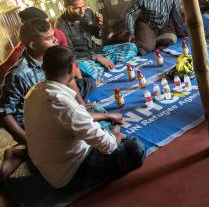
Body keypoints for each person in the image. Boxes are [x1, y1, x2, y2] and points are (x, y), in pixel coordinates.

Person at [24, 46, 145, 189]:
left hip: (49, 165)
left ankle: (105, 126)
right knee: (135, 148)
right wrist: (116, 132)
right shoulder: (62, 103)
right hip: (70, 174)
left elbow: (77, 116)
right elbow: (109, 146)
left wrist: (107, 115)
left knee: (95, 111)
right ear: (71, 70)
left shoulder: (34, 91)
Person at [56, 0, 137, 80]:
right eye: (76, 8)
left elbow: (99, 36)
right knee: (84, 68)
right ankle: (103, 66)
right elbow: (69, 54)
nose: (82, 11)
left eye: (84, 6)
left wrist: (98, 26)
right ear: (66, 7)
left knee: (131, 47)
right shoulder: (61, 25)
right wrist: (97, 58)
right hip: (81, 58)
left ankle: (103, 66)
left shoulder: (88, 12)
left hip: (96, 50)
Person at [120, 0, 184, 55]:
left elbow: (176, 11)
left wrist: (179, 31)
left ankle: (150, 41)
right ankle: (128, 36)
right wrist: (131, 31)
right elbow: (128, 12)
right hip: (147, 25)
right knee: (143, 50)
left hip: (164, 25)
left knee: (172, 38)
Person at [0, 7, 69, 84]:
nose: (49, 27)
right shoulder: (19, 68)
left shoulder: (56, 34)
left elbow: (68, 61)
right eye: (44, 24)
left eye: (48, 22)